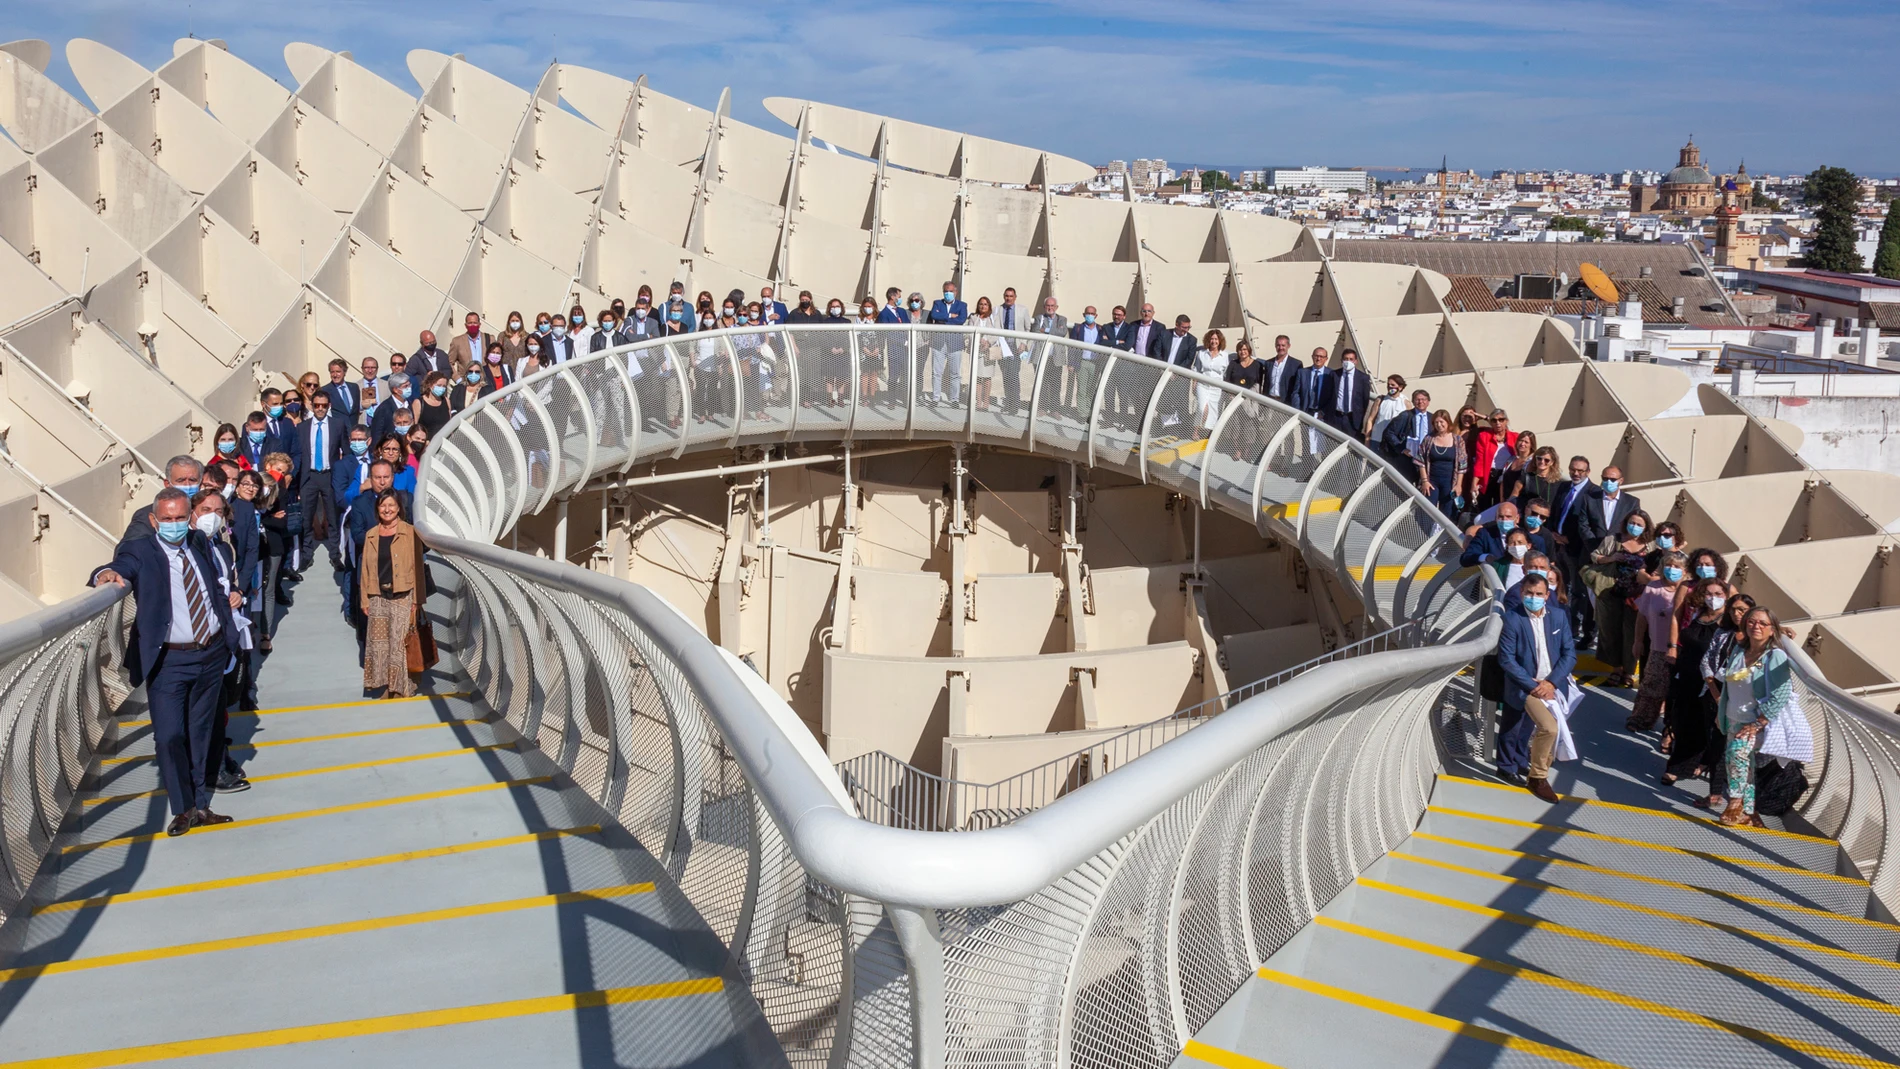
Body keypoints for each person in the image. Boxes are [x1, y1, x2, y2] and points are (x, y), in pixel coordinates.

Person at [89, 488, 244, 835]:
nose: (174, 525)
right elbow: (119, 565)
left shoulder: (200, 542)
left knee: (203, 732)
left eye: (180, 518)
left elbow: (213, 586)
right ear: (154, 520)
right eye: (167, 518)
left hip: (211, 650)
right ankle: (183, 807)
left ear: (189, 517)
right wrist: (105, 575)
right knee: (170, 736)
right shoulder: (141, 550)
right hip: (170, 660)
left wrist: (227, 624)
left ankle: (200, 805)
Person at [189, 489, 252, 794]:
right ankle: (210, 769)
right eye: (204, 509)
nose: (210, 517)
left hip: (227, 636)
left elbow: (230, 581)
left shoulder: (223, 549)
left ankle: (220, 756)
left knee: (222, 704)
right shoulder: (188, 547)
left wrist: (238, 593)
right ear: (192, 513)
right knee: (207, 711)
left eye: (217, 511)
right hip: (201, 641)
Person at [1496, 572, 1575, 803]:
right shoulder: (1512, 618)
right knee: (1549, 728)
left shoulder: (1559, 617)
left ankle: (1521, 763)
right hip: (1526, 685)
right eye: (1529, 593)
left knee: (1537, 728)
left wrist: (1551, 683)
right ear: (1522, 593)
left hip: (1552, 685)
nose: (1534, 597)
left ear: (1547, 595)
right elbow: (1507, 660)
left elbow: (1569, 654)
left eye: (1539, 594)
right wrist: (1534, 685)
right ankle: (1537, 777)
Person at [1713, 607, 1794, 827]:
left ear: (1771, 630)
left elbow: (1782, 693)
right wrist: (1722, 714)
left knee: (1736, 755)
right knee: (1743, 764)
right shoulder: (1740, 651)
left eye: (1762, 624)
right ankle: (1748, 813)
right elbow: (1731, 684)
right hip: (1732, 717)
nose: (1756, 626)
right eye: (1751, 622)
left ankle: (1735, 802)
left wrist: (1758, 723)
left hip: (1753, 722)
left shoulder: (1774, 656)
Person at [359, 491, 431, 699]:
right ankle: (385, 686)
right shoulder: (371, 534)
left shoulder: (409, 532)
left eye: (391, 505)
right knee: (380, 643)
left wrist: (417, 600)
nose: (387, 510)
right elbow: (365, 570)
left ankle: (401, 687)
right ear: (377, 509)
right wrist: (365, 598)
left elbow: (417, 567)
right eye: (383, 506)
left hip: (403, 593)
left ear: (399, 508)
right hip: (378, 594)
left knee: (399, 643)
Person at [1663, 577, 1728, 787]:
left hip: (1708, 682)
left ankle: (1681, 767)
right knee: (1682, 720)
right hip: (1687, 676)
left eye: (1718, 594)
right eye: (1709, 594)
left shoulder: (1726, 622)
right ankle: (1683, 762)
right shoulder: (1699, 615)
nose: (1713, 598)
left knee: (1704, 725)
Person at [1696, 592, 1755, 812]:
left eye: (1742, 610)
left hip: (1740, 699)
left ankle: (1741, 801)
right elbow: (1707, 661)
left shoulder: (1756, 638)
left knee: (1737, 749)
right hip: (1715, 693)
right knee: (1716, 743)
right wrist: (1714, 690)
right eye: (1733, 609)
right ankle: (1714, 794)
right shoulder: (1723, 633)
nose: (1737, 614)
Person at [1585, 507, 1654, 690]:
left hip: (1636, 598)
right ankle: (1616, 668)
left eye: (1639, 524)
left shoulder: (1650, 546)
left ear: (1646, 527)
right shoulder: (1612, 540)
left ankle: (1629, 672)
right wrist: (1611, 558)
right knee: (1610, 632)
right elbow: (1594, 556)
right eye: (1632, 523)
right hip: (1610, 592)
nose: (1634, 526)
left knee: (1631, 634)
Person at [1630, 550, 1688, 732]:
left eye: (1677, 567)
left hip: (1684, 649)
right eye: (1669, 565)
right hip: (1658, 646)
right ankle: (1641, 718)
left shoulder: (1690, 591)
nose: (1672, 569)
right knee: (1651, 685)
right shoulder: (1654, 587)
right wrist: (1638, 641)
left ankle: (1671, 730)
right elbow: (1642, 616)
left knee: (1678, 691)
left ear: (1685, 571)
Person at [1551, 455, 1598, 647]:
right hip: (1558, 546)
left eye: (1580, 470)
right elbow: (1556, 511)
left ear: (1587, 472)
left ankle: (1575, 628)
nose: (1576, 473)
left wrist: (1569, 539)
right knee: (1560, 587)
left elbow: (1591, 523)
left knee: (1578, 592)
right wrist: (1555, 534)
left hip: (1577, 550)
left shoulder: (1594, 492)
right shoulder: (1564, 487)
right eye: (1573, 469)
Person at [295, 390, 346, 569]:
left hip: (329, 475)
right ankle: (307, 555)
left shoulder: (337, 425)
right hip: (309, 477)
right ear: (312, 406)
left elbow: (345, 452)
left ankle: (335, 554)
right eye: (317, 405)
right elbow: (298, 454)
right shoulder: (302, 427)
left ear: (329, 406)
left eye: (324, 405)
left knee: (333, 516)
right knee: (306, 518)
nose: (320, 409)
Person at [121, 455, 208, 546]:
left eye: (192, 480)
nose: (187, 485)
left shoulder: (207, 512)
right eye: (180, 480)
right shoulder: (145, 516)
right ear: (167, 484)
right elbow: (127, 551)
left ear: (200, 483)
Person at [1413, 410, 1465, 520]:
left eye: (1442, 422)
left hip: (1449, 482)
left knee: (1446, 513)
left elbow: (1462, 464)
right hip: (1432, 481)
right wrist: (1424, 481)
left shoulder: (1457, 440)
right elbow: (1420, 460)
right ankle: (1424, 534)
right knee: (1427, 511)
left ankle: (1442, 536)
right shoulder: (1429, 439)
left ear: (1448, 422)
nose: (1439, 425)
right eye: (1436, 423)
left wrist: (1458, 484)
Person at [927, 281, 968, 405]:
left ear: (955, 292)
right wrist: (950, 316)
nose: (948, 293)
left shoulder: (962, 305)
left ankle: (954, 399)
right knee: (936, 372)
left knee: (955, 373)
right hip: (938, 342)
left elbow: (961, 319)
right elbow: (934, 315)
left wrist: (943, 318)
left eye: (950, 291)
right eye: (946, 291)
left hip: (955, 343)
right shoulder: (937, 303)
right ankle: (936, 397)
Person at [1383, 389, 1433, 485]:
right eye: (1417, 399)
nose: (1420, 402)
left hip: (1425, 459)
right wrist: (1401, 448)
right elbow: (1389, 433)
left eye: (1423, 399)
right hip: (1408, 458)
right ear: (1413, 401)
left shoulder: (1432, 418)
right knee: (1404, 486)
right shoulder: (1405, 415)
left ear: (1428, 402)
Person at [1470, 410, 1518, 508]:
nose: (1498, 423)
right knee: (1484, 507)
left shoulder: (1515, 437)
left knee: (1501, 506)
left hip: (1505, 478)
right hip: (1488, 476)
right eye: (1494, 420)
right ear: (1491, 422)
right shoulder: (1484, 436)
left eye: (1501, 420)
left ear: (1506, 421)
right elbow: (1480, 462)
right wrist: (1474, 483)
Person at [1292, 348, 1333, 456]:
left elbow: (1333, 397)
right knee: (1306, 444)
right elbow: (1296, 392)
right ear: (1312, 356)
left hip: (1323, 415)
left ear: (1326, 359)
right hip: (1306, 412)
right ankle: (1307, 469)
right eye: (1316, 356)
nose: (1318, 358)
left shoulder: (1331, 375)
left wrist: (1323, 412)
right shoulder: (1303, 372)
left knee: (1323, 445)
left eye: (1321, 357)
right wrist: (1299, 411)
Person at [1067, 306, 1106, 417]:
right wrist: (1071, 363)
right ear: (1084, 315)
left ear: (1096, 315)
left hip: (1096, 363)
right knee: (1082, 388)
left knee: (1091, 388)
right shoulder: (1078, 328)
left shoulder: (1100, 329)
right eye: (1088, 313)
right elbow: (1072, 346)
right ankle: (1083, 413)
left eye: (1092, 313)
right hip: (1082, 362)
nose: (1090, 315)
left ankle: (1090, 411)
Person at [996, 287, 1030, 413]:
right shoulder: (998, 309)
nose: (1008, 298)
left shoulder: (1022, 310)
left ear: (1015, 297)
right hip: (1003, 346)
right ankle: (1008, 403)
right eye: (1006, 296)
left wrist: (1023, 343)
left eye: (1011, 296)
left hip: (1016, 347)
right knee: (1005, 375)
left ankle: (1015, 405)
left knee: (1014, 375)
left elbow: (1028, 328)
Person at [1460, 501, 1522, 569]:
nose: (1504, 520)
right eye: (1500, 517)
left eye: (1508, 517)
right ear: (1496, 518)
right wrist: (1485, 557)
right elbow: (1466, 557)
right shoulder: (1485, 534)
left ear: (1517, 518)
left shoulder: (1526, 537)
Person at [1326, 348, 1370, 442]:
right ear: (1341, 361)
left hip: (1353, 419)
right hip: (1336, 417)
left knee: (1351, 447)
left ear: (1356, 361)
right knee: (1333, 443)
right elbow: (1328, 395)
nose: (1348, 361)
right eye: (1346, 359)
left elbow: (1365, 400)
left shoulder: (1363, 378)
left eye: (1351, 359)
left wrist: (1360, 417)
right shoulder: (1334, 374)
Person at [1192, 328, 1229, 436]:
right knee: (1201, 408)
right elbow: (1196, 370)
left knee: (1213, 410)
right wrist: (1194, 383)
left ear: (1220, 340)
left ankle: (1209, 434)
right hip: (1202, 385)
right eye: (1212, 339)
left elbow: (1225, 373)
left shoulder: (1225, 355)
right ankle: (1196, 431)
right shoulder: (1201, 353)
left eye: (1216, 339)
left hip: (1216, 387)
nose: (1214, 341)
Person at [969, 296, 1001, 411]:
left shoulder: (993, 318)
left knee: (987, 378)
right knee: (977, 377)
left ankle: (986, 402)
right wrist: (978, 342)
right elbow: (969, 332)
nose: (983, 306)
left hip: (989, 351)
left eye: (986, 304)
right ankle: (978, 402)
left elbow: (996, 333)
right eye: (981, 304)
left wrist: (988, 342)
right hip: (977, 351)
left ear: (989, 306)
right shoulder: (974, 318)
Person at [1367, 374, 1407, 458]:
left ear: (1400, 387)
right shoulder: (1380, 400)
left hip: (1393, 443)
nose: (1390, 387)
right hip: (1376, 439)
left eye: (1393, 385)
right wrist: (1367, 439)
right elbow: (1371, 419)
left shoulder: (1405, 403)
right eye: (1388, 385)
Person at [321, 358, 364, 425]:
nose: (335, 375)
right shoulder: (325, 390)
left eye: (338, 372)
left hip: (353, 430)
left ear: (345, 372)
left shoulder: (354, 388)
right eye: (332, 372)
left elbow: (356, 410)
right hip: (337, 430)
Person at [416, 371, 454, 437]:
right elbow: (415, 426)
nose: (441, 388)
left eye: (444, 386)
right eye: (439, 385)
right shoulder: (419, 402)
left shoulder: (446, 401)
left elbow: (449, 423)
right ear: (430, 385)